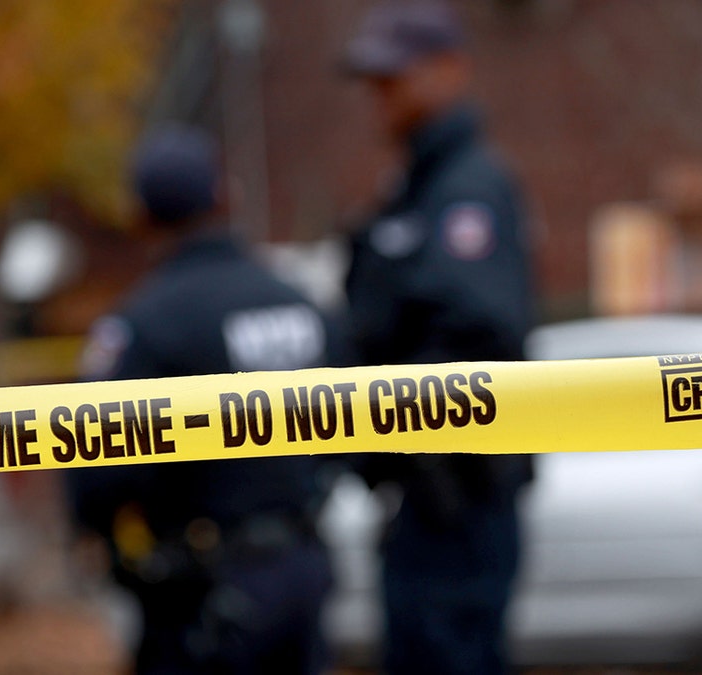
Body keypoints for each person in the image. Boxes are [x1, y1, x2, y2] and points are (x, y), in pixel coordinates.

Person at [68, 126, 333, 675]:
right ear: (223, 197)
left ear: (142, 217)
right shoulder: (297, 302)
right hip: (302, 569)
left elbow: (95, 457)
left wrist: (98, 532)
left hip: (201, 590)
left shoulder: (148, 324)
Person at [340, 2, 536, 674]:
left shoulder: (467, 189)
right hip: (421, 498)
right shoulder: (415, 191)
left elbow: (477, 331)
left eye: (393, 77)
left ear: (450, 71)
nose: (378, 95)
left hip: (456, 495)